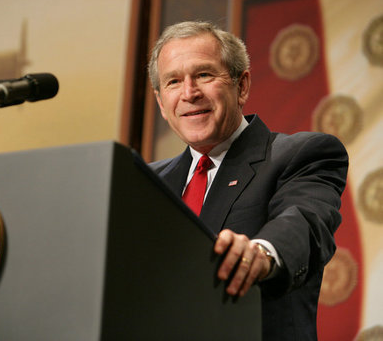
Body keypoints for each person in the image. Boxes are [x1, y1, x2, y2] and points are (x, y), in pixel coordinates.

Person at [147, 21, 348, 341]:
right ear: (161, 102)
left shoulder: (300, 154)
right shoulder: (148, 183)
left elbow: (305, 223)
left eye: (203, 75)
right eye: (173, 81)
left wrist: (263, 253)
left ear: (241, 86)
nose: (189, 93)